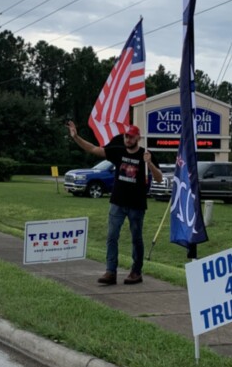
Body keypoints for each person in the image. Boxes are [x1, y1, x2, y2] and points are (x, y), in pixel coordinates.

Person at [66, 120, 161, 285]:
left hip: (137, 205)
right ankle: (111, 272)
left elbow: (159, 178)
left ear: (138, 138)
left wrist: (149, 163)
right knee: (111, 237)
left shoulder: (146, 154)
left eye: (131, 137)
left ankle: (136, 272)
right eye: (126, 136)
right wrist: (76, 137)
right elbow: (94, 149)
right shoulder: (118, 151)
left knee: (136, 239)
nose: (128, 139)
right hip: (117, 202)